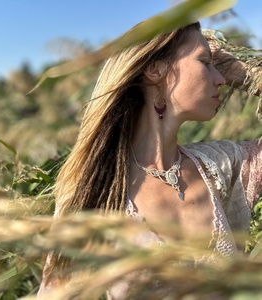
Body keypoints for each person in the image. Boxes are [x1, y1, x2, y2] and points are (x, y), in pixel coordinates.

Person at [38, 21, 262, 298]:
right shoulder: (95, 188)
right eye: (205, 62)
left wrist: (244, 72)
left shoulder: (220, 166)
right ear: (155, 69)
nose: (221, 79)